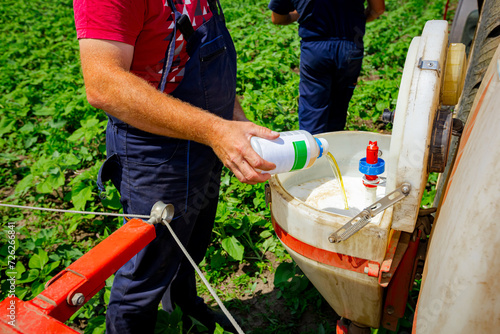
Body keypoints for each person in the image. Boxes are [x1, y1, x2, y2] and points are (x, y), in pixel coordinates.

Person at [73, 0, 279, 333]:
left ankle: (184, 313)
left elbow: (206, 60)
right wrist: (214, 129)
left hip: (205, 136)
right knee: (145, 274)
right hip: (156, 157)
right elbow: (103, 84)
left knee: (188, 246)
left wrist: (232, 122)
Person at [268, 0, 385, 135]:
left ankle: (312, 151)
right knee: (339, 107)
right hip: (350, 48)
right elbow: (378, 9)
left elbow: (277, 18)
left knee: (312, 111)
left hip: (315, 48)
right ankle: (333, 151)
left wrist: (302, 13)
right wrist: (354, 20)